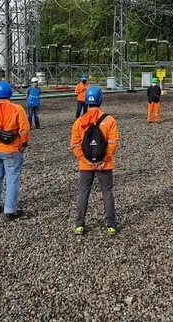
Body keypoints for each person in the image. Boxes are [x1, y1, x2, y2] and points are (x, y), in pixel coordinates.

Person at [71, 86, 119, 235]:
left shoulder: (79, 122)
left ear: (86, 101)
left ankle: (79, 224)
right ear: (101, 100)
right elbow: (113, 142)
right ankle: (111, 225)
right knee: (107, 192)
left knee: (84, 192)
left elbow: (75, 144)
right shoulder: (109, 120)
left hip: (86, 165)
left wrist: (85, 159)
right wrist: (104, 159)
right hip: (105, 164)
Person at [0, 81, 30, 221]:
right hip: (12, 150)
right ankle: (10, 210)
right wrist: (23, 144)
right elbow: (24, 129)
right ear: (10, 93)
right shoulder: (17, 109)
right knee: (12, 179)